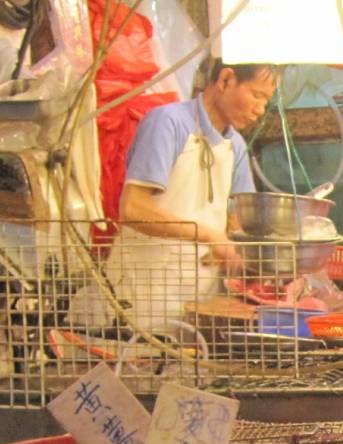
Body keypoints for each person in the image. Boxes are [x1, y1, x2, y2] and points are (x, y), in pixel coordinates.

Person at [83, 59, 277, 332]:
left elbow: (237, 220)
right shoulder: (168, 122)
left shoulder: (236, 146)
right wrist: (210, 235)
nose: (260, 110)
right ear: (225, 80)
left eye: (266, 101)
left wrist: (244, 255)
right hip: (143, 293)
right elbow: (133, 208)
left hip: (200, 299)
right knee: (142, 363)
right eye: (257, 95)